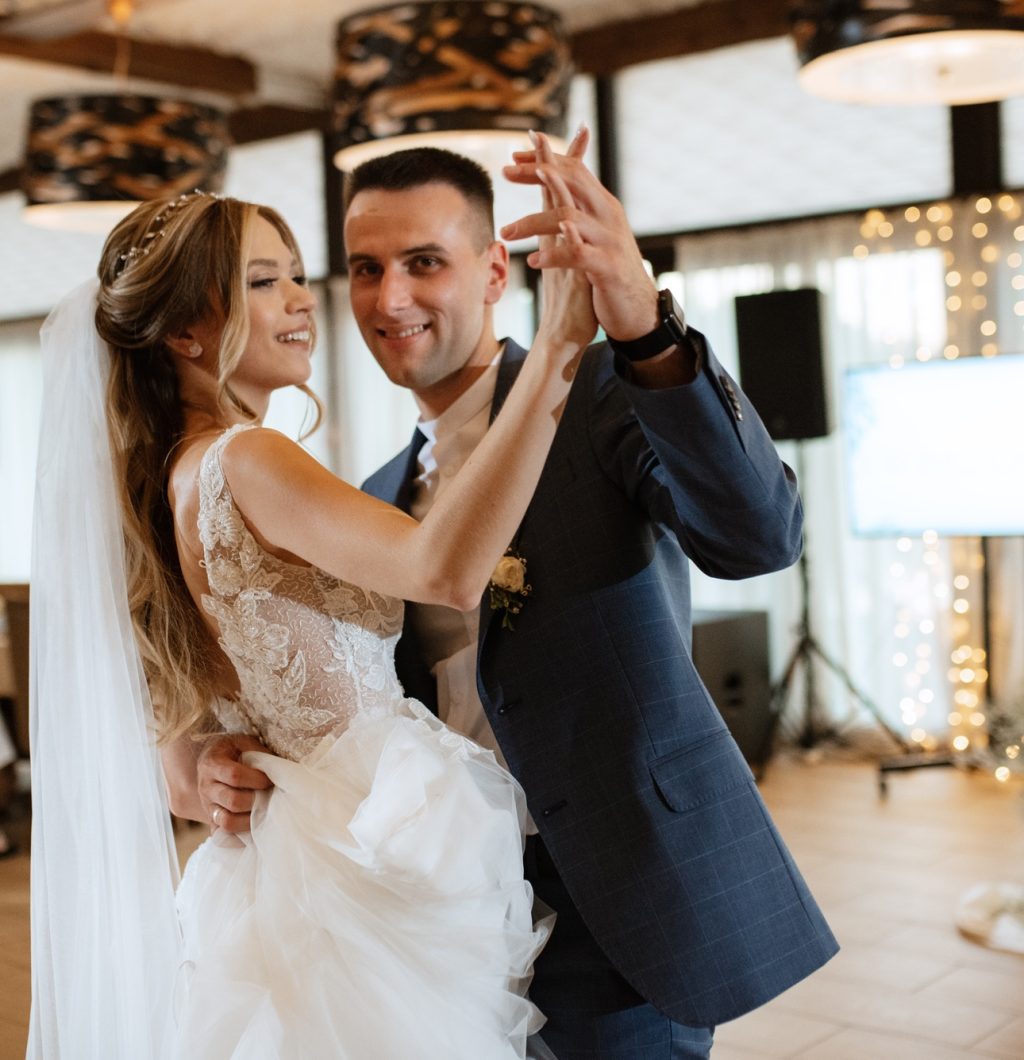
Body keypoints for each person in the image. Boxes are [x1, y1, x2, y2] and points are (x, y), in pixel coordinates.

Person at [199, 132, 839, 1058]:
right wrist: (209, 761)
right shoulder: (375, 495)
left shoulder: (601, 399)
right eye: (367, 269)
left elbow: (757, 537)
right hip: (440, 905)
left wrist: (643, 330)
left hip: (615, 893)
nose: (391, 299)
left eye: (425, 263)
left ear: (497, 270)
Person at [28, 164, 598, 1058]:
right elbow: (444, 567)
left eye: (297, 271)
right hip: (360, 842)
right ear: (184, 330)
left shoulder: (168, 475)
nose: (303, 299)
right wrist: (563, 337)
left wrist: (200, 763)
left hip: (297, 843)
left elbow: (186, 722)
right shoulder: (246, 458)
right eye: (262, 282)